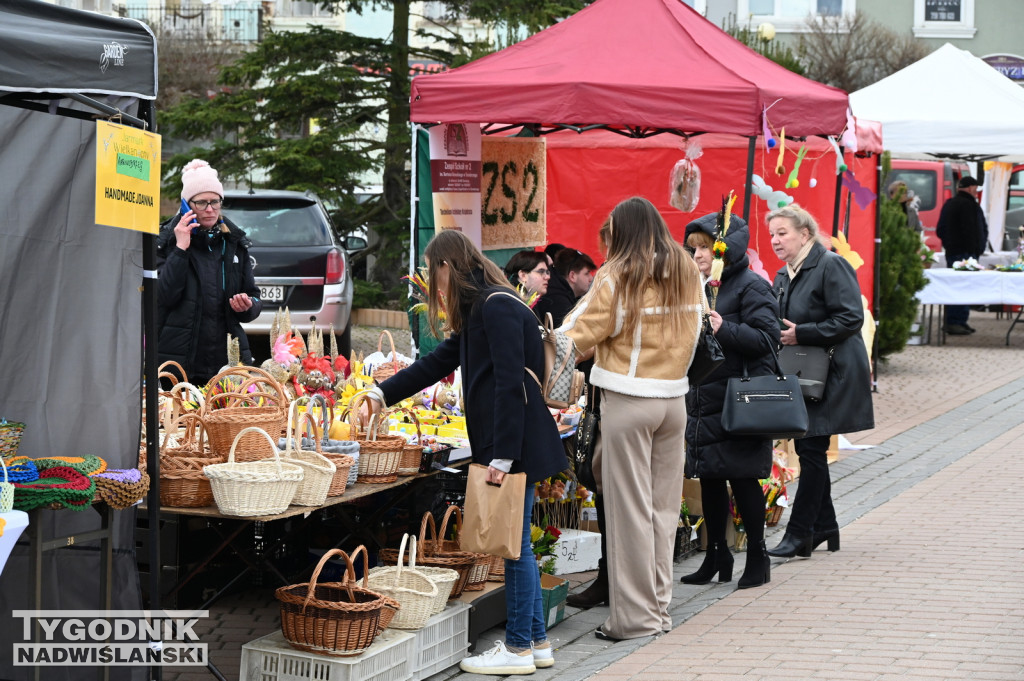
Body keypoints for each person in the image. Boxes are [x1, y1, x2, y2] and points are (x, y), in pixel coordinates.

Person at [364, 230, 567, 675]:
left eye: (434, 274)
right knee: (517, 543)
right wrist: (382, 393)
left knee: (511, 547)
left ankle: (516, 650)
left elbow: (512, 383)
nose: (435, 289)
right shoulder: (485, 307)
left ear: (447, 267)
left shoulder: (494, 307)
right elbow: (436, 362)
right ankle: (536, 642)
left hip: (513, 444)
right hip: (517, 441)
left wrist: (501, 457)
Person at [559, 197, 703, 640]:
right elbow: (699, 331)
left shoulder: (618, 273)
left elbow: (572, 332)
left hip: (627, 398)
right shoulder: (687, 270)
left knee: (628, 515)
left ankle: (634, 620)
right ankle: (658, 610)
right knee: (662, 511)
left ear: (623, 231)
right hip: (673, 401)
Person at [765, 204, 874, 559]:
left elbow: (850, 317)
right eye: (771, 235)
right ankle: (825, 526)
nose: (775, 240)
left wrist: (803, 334)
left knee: (811, 448)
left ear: (805, 234)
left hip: (834, 371)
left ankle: (801, 532)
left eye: (782, 233)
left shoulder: (829, 264)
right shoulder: (784, 274)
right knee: (809, 447)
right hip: (807, 373)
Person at [680, 213, 779, 589]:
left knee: (742, 479)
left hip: (740, 402)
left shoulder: (752, 285)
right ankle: (716, 554)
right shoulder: (703, 287)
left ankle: (758, 555)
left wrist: (726, 327)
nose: (698, 255)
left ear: (725, 248)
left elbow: (768, 341)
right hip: (706, 397)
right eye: (694, 248)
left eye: (705, 247)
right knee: (710, 477)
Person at [156, 159, 261, 386]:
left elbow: (253, 298)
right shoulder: (166, 241)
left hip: (224, 364)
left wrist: (248, 306)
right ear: (186, 205)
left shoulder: (233, 242)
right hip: (178, 365)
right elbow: (163, 297)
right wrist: (181, 248)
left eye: (215, 201)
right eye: (201, 203)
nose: (210, 209)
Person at [935, 176, 988, 335]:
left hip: (956, 252)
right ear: (971, 188)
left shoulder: (951, 204)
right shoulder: (968, 205)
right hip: (966, 253)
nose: (976, 191)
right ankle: (955, 321)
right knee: (962, 288)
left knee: (958, 287)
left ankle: (959, 320)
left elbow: (941, 229)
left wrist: (949, 245)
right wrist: (975, 248)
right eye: (975, 188)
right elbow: (972, 230)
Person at [534, 248, 597, 327]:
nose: (591, 278)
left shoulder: (557, 289)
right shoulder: (558, 303)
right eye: (587, 273)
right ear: (572, 276)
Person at [503, 250, 551, 315]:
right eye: (541, 272)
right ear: (523, 275)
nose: (547, 277)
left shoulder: (524, 299)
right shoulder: (509, 303)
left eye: (547, 272)